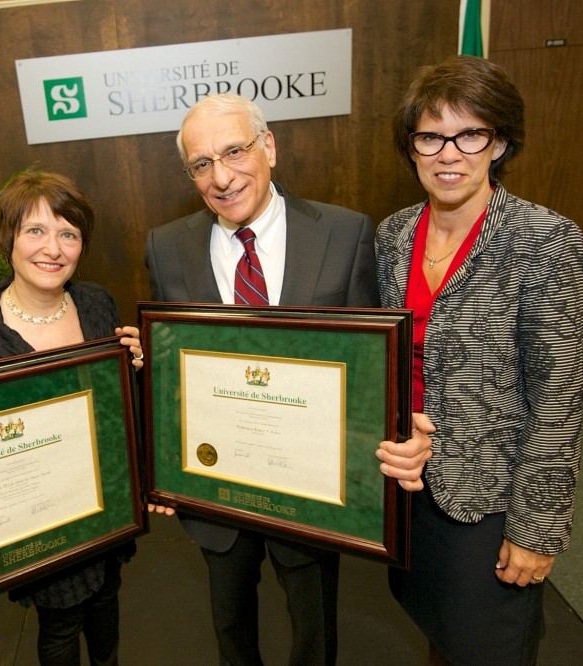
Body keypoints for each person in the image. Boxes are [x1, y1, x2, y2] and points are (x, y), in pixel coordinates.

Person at [144, 92, 431, 666]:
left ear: (269, 147)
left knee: (314, 628)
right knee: (229, 623)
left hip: (311, 487)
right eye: (201, 164)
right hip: (217, 485)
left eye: (235, 151)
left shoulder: (344, 233)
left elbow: (369, 369)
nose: (221, 177)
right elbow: (172, 367)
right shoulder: (167, 246)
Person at [376, 56, 583, 665]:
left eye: (470, 135)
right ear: (412, 147)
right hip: (410, 486)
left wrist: (536, 526)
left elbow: (559, 393)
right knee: (438, 630)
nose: (449, 154)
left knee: (488, 646)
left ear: (499, 142)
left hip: (490, 498)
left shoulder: (544, 239)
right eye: (430, 137)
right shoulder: (394, 234)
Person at [0, 169, 144, 666]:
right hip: (39, 520)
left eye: (68, 234)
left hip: (103, 505)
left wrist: (137, 368)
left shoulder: (96, 304)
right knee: (61, 623)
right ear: (7, 238)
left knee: (107, 600)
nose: (53, 249)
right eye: (35, 230)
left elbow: (114, 408)